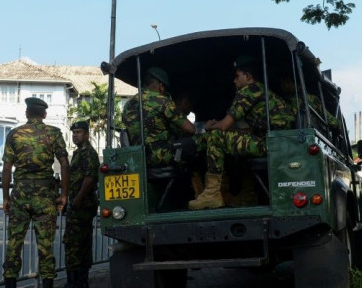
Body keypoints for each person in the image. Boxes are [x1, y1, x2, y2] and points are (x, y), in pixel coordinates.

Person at [189, 56, 294, 210]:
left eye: (237, 76)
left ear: (248, 76)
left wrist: (210, 126)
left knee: (216, 137)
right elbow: (247, 129)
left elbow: (224, 126)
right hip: (280, 143)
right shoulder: (262, 90)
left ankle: (212, 194)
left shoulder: (248, 91)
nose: (234, 81)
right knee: (239, 145)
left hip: (271, 144)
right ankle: (249, 196)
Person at [0, 97, 70, 288]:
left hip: (20, 194)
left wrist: (5, 197)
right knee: (45, 245)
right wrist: (64, 194)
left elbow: (6, 168)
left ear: (26, 114)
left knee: (14, 244)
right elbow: (65, 164)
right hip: (44, 195)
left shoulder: (14, 134)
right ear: (44, 115)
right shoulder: (53, 133)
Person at [121, 67, 196, 166]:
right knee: (203, 140)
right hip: (161, 157)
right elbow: (191, 129)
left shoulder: (128, 105)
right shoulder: (162, 101)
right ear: (161, 86)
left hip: (137, 160)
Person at [58, 121, 100, 288]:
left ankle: (73, 283)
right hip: (79, 203)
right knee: (81, 243)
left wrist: (78, 198)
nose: (76, 135)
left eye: (79, 132)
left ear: (87, 134)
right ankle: (81, 282)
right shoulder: (78, 153)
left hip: (81, 205)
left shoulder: (88, 153)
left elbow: (90, 177)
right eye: (74, 132)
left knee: (73, 243)